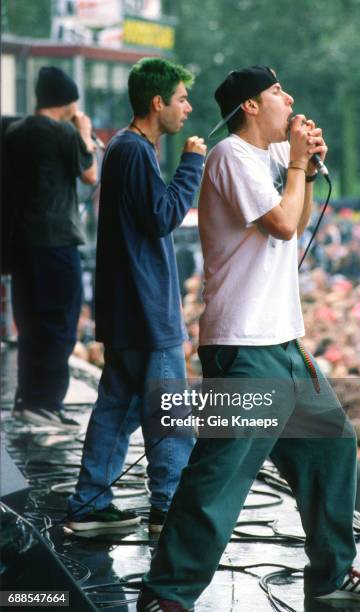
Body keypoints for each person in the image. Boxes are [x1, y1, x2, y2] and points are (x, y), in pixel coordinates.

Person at [137, 66, 360, 610]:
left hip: (283, 341)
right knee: (222, 473)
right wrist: (300, 162)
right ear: (251, 107)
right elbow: (279, 224)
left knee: (333, 444)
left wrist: (303, 160)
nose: (291, 99)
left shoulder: (273, 157)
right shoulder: (230, 155)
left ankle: (332, 573)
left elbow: (296, 220)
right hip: (244, 343)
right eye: (278, 92)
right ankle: (167, 591)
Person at [66, 58, 206, 534]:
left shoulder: (125, 149)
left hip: (129, 313)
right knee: (168, 416)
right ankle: (167, 508)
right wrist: (191, 165)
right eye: (181, 99)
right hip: (148, 314)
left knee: (116, 410)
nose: (188, 107)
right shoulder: (136, 151)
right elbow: (163, 215)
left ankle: (89, 504)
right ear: (157, 103)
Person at [5, 66, 97, 430]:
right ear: (69, 101)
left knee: (30, 323)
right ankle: (46, 403)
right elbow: (91, 173)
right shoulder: (62, 132)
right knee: (61, 323)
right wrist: (84, 133)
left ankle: (27, 401)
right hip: (56, 241)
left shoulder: (14, 131)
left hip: (21, 243)